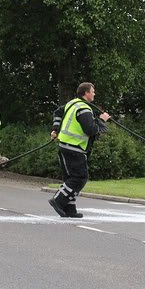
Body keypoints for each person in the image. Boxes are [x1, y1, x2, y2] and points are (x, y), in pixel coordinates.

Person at [49, 82, 110, 218]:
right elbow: (90, 130)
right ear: (86, 93)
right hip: (74, 148)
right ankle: (58, 200)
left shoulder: (72, 103)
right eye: (93, 91)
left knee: (70, 179)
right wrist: (101, 120)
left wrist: (55, 129)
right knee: (80, 178)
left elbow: (58, 112)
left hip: (65, 146)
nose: (94, 93)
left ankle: (70, 209)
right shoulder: (84, 109)